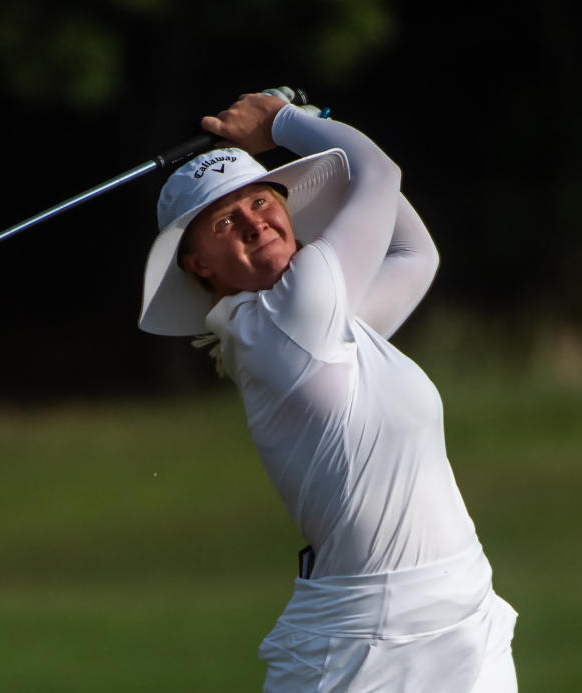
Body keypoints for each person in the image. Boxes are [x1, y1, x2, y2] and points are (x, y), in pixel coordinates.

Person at [138, 90, 518, 691]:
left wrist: (314, 126)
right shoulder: (291, 318)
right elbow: (379, 175)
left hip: (465, 608)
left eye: (261, 201)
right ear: (199, 266)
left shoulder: (324, 324)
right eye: (226, 221)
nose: (255, 222)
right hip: (366, 641)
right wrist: (283, 122)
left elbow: (414, 251)